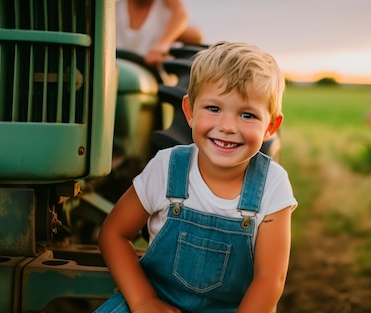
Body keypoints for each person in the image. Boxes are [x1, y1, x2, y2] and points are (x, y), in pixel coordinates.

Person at [94, 41, 297, 313]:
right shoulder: (167, 167)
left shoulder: (272, 184)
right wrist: (144, 300)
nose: (227, 127)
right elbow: (114, 234)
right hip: (157, 300)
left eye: (247, 114)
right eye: (213, 109)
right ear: (189, 111)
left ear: (270, 126)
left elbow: (269, 279)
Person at [115, 0, 204, 67]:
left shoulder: (165, 10)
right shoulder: (114, 7)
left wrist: (163, 43)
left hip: (154, 78)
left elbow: (197, 36)